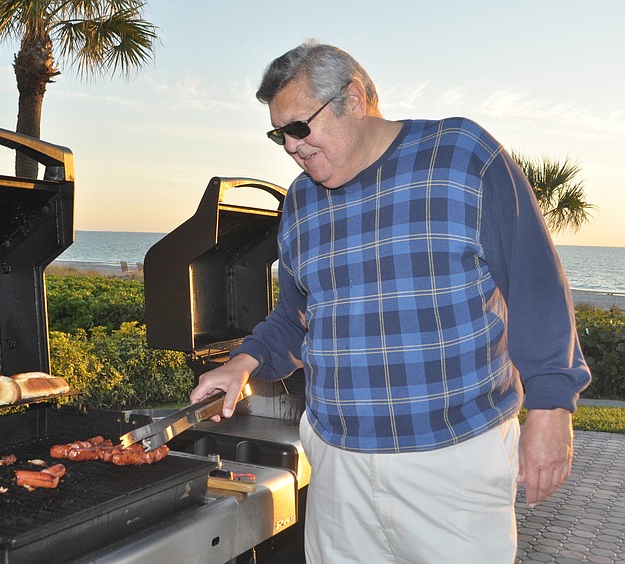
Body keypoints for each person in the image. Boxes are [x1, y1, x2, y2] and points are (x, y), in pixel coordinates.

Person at [189, 40, 591, 563]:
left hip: (453, 459)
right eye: (278, 134)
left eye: (298, 128)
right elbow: (296, 315)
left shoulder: (463, 155)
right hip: (337, 463)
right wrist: (243, 362)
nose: (290, 147)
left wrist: (551, 407)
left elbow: (536, 286)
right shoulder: (302, 202)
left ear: (353, 99)